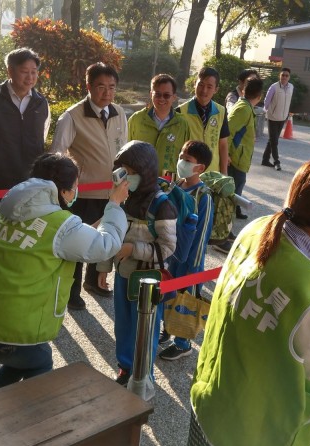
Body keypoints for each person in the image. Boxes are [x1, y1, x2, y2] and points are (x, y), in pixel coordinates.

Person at [188, 159, 310, 446]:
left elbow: (293, 255)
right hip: (248, 430)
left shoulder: (259, 228)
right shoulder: (304, 287)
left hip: (210, 396)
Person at [0, 153, 130, 392]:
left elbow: (73, 236)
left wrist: (102, 219)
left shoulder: (7, 211)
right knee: (40, 360)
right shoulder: (61, 225)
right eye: (75, 186)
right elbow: (106, 246)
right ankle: (20, 424)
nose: (76, 191)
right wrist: (115, 204)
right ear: (64, 191)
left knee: (28, 360)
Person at [97, 141, 178, 385]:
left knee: (146, 329)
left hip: (148, 282)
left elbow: (167, 248)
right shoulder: (120, 197)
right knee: (123, 325)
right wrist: (103, 268)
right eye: (122, 169)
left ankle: (143, 375)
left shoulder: (162, 205)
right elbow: (108, 231)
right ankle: (125, 367)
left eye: (130, 172)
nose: (124, 177)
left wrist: (133, 249)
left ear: (146, 172)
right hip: (123, 275)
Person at [51, 62, 128, 310]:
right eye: (101, 87)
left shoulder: (119, 112)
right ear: (88, 87)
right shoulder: (72, 116)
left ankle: (94, 282)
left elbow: (123, 148)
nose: (107, 92)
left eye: (112, 87)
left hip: (111, 192)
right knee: (78, 243)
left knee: (102, 237)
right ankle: (70, 292)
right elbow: (57, 154)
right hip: (81, 194)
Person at [0, 47, 50, 232]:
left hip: (29, 179)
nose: (30, 77)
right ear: (10, 71)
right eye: (24, 72)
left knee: (24, 231)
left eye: (34, 72)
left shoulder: (41, 103)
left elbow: (41, 137)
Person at [159, 141, 215, 361]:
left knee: (186, 296)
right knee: (168, 291)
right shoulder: (177, 185)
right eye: (181, 155)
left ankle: (183, 344)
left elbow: (202, 233)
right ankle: (167, 329)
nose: (181, 161)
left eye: (187, 159)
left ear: (200, 168)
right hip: (172, 251)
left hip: (190, 258)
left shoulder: (203, 195)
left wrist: (194, 261)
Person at [128, 74, 190, 180]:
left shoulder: (182, 124)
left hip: (168, 185)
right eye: (157, 94)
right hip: (139, 182)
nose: (161, 99)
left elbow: (185, 157)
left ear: (174, 97)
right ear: (151, 94)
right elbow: (126, 152)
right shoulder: (136, 120)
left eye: (166, 95)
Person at [178, 67, 230, 174]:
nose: (204, 90)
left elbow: (223, 145)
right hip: (187, 174)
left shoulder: (221, 112)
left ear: (216, 89)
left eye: (209, 87)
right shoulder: (180, 111)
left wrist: (224, 175)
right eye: (200, 85)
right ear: (194, 84)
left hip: (212, 175)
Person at [227, 77, 264, 223]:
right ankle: (228, 222)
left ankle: (235, 210)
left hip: (239, 157)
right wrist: (227, 154)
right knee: (235, 188)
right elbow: (228, 131)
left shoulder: (245, 107)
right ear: (260, 96)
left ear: (243, 90)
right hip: (235, 158)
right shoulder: (243, 108)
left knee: (238, 186)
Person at [261, 67, 294, 171]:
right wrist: (265, 111)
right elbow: (266, 101)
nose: (284, 77)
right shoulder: (274, 87)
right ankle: (277, 161)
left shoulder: (291, 87)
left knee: (272, 140)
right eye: (282, 75)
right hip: (272, 117)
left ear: (289, 77)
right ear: (279, 75)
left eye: (286, 75)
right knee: (274, 141)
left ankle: (265, 160)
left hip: (282, 117)